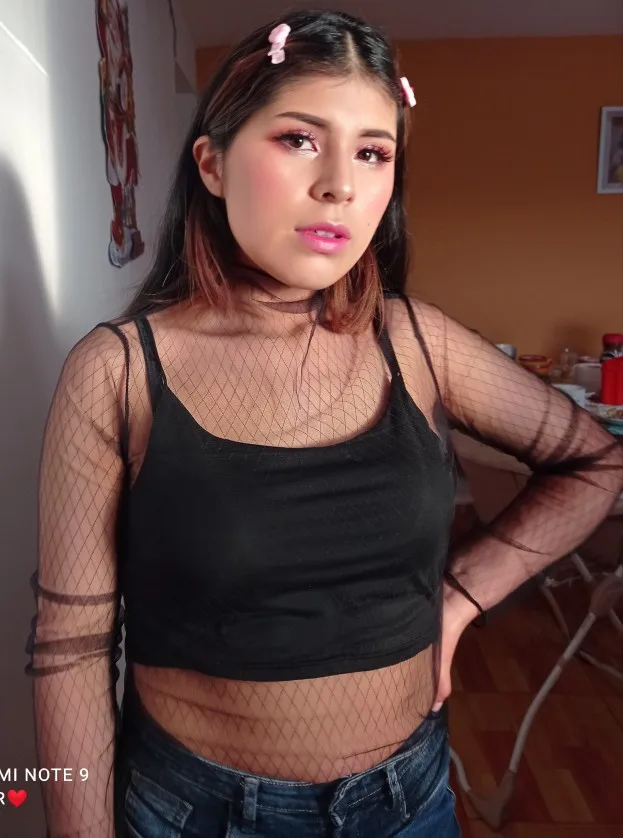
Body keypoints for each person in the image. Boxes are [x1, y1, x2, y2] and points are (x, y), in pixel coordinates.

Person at [25, 10, 623, 837]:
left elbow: (597, 464)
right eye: (299, 139)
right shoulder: (118, 372)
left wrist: (458, 599)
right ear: (212, 164)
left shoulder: (417, 342)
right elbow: (71, 646)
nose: (340, 183)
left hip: (408, 803)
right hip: (196, 812)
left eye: (373, 152)